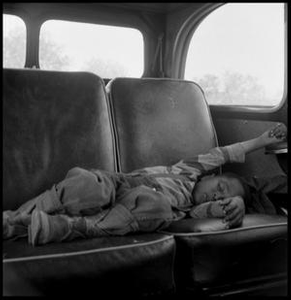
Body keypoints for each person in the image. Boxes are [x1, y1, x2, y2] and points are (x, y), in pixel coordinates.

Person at [3, 123, 287, 246]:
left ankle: (74, 228)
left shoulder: (186, 211)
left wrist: (234, 204)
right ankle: (17, 219)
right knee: (91, 186)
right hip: (115, 185)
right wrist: (262, 141)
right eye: (221, 186)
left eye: (218, 197)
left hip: (130, 209)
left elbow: (214, 211)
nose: (215, 193)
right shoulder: (187, 171)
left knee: (157, 207)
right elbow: (221, 153)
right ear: (211, 175)